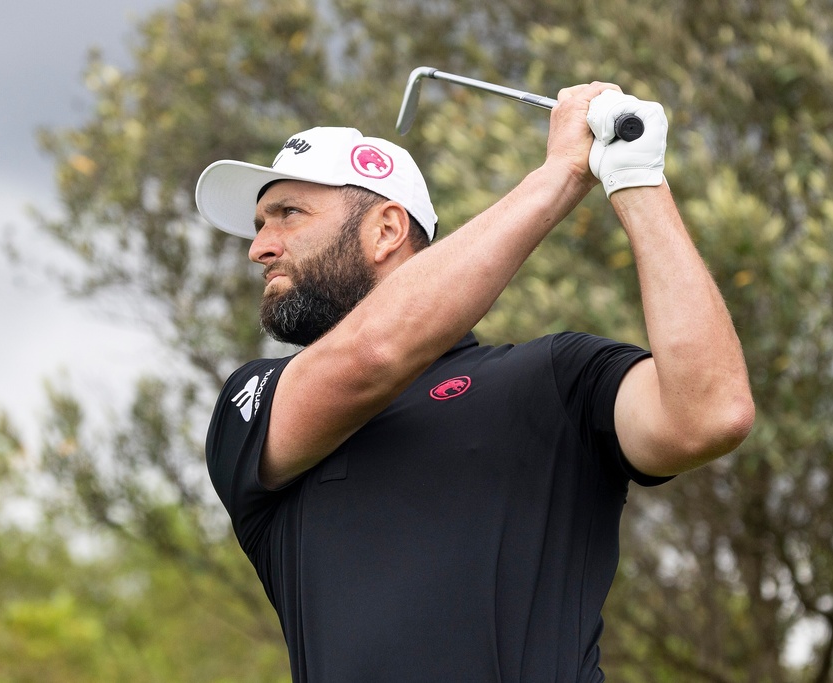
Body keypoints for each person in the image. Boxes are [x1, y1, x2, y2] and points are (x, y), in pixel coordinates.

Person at [194, 82, 754, 681]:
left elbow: (711, 413)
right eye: (258, 224)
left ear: (386, 230)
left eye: (288, 215)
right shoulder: (253, 403)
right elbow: (373, 353)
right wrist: (561, 173)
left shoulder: (554, 379)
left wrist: (638, 180)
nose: (258, 248)